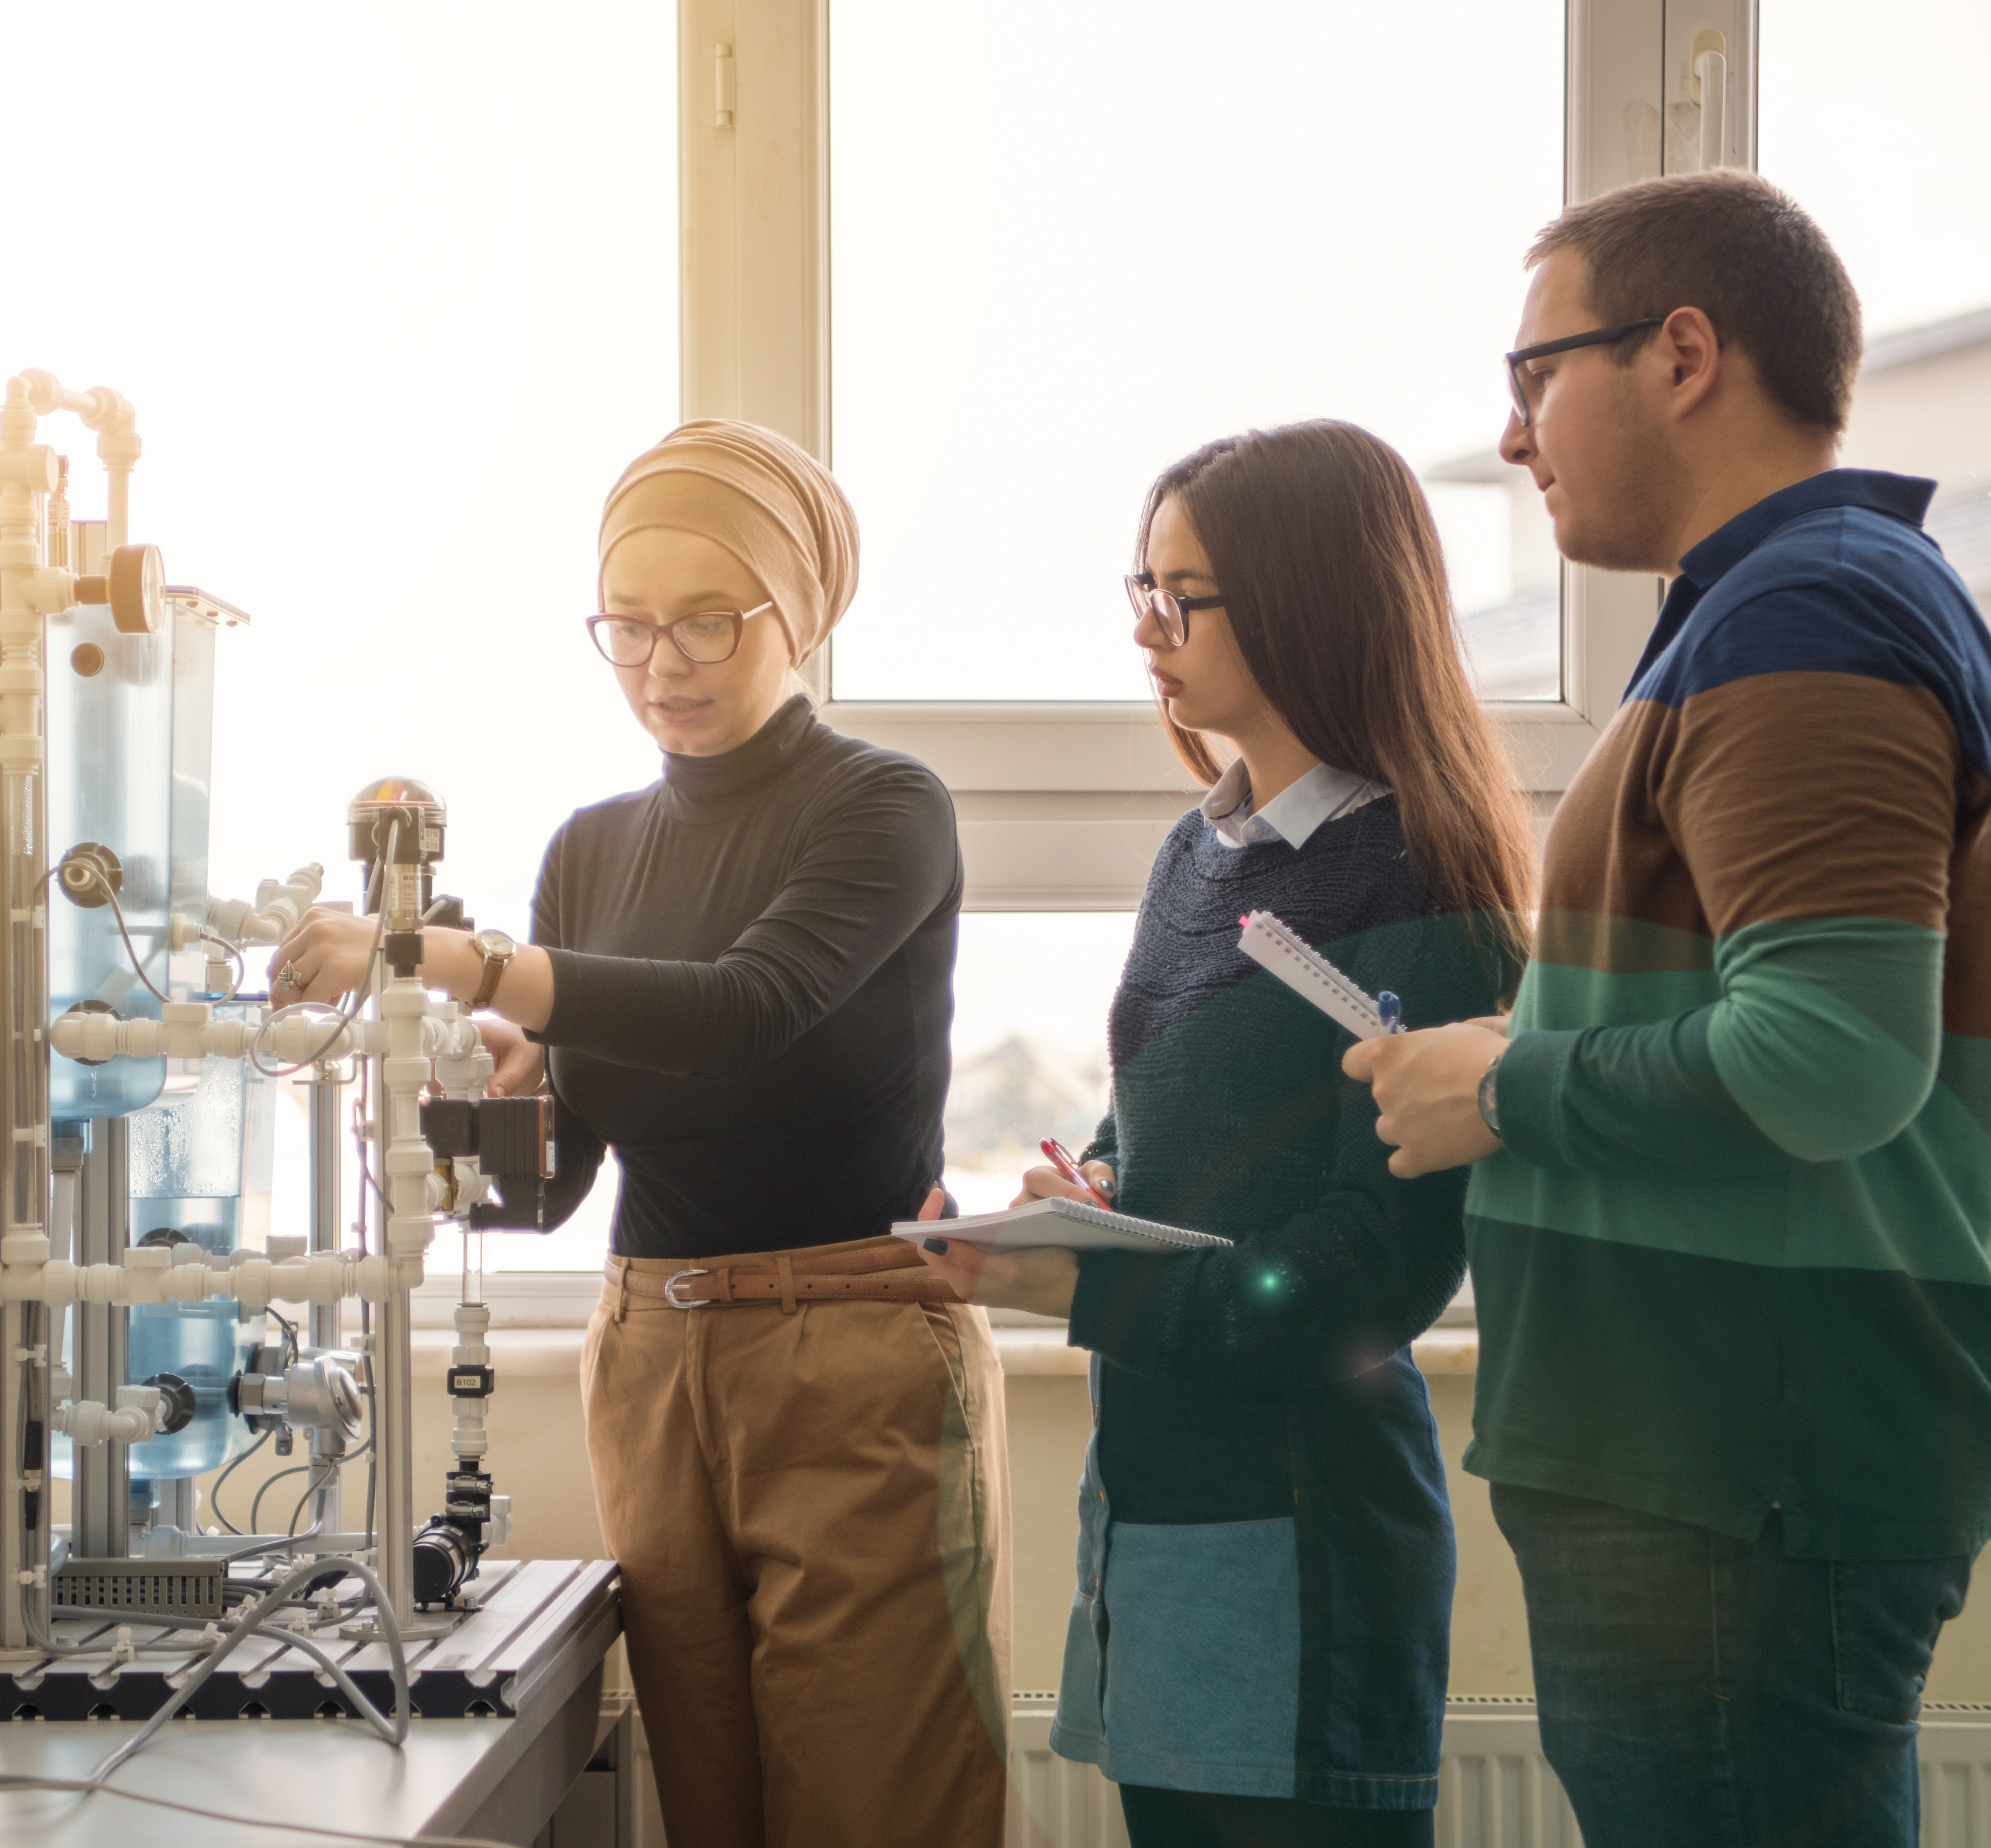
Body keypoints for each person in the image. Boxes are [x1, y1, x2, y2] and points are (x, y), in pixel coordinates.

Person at [1346, 171, 1991, 1848]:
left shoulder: (1811, 613)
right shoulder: (1777, 609)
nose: (1515, 437)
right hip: (1722, 1464)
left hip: (1739, 1473)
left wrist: (1504, 1087)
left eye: (1535, 376)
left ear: (1681, 352)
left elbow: (1833, 1059)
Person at [270, 419, 1007, 1848]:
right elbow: (555, 1184)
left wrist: (442, 957)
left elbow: (746, 1009)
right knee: (708, 1810)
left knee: (879, 1812)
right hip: (654, 1361)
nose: (661, 662)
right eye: (627, 627)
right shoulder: (593, 849)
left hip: (849, 1354)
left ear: (797, 615)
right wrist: (449, 1105)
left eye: (706, 622)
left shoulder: (881, 805)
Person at [919, 419, 1535, 1847]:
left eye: (1182, 596)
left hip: (1305, 1525)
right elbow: (1177, 1123)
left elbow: (1372, 1270)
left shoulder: (1419, 874)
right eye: (1141, 588)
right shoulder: (1202, 850)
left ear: (1315, 599)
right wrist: (1092, 1193)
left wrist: (1093, 1284)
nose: (1150, 629)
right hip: (1165, 1488)